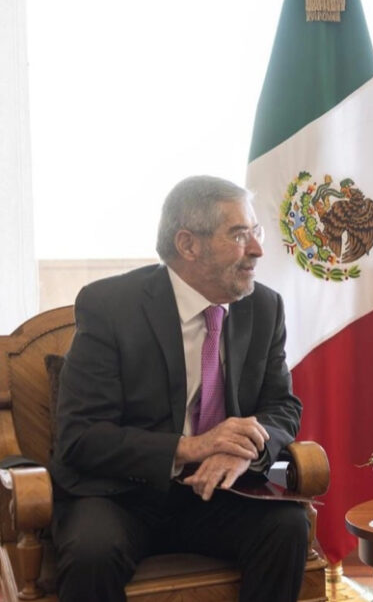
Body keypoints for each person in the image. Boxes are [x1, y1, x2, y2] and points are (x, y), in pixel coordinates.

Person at [49, 176, 307, 602]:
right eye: (238, 235)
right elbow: (81, 437)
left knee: (287, 526)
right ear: (188, 245)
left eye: (255, 232)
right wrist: (194, 447)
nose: (257, 250)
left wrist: (244, 449)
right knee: (92, 552)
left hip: (216, 492)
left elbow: (282, 406)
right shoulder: (110, 307)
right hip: (119, 494)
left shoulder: (264, 307)